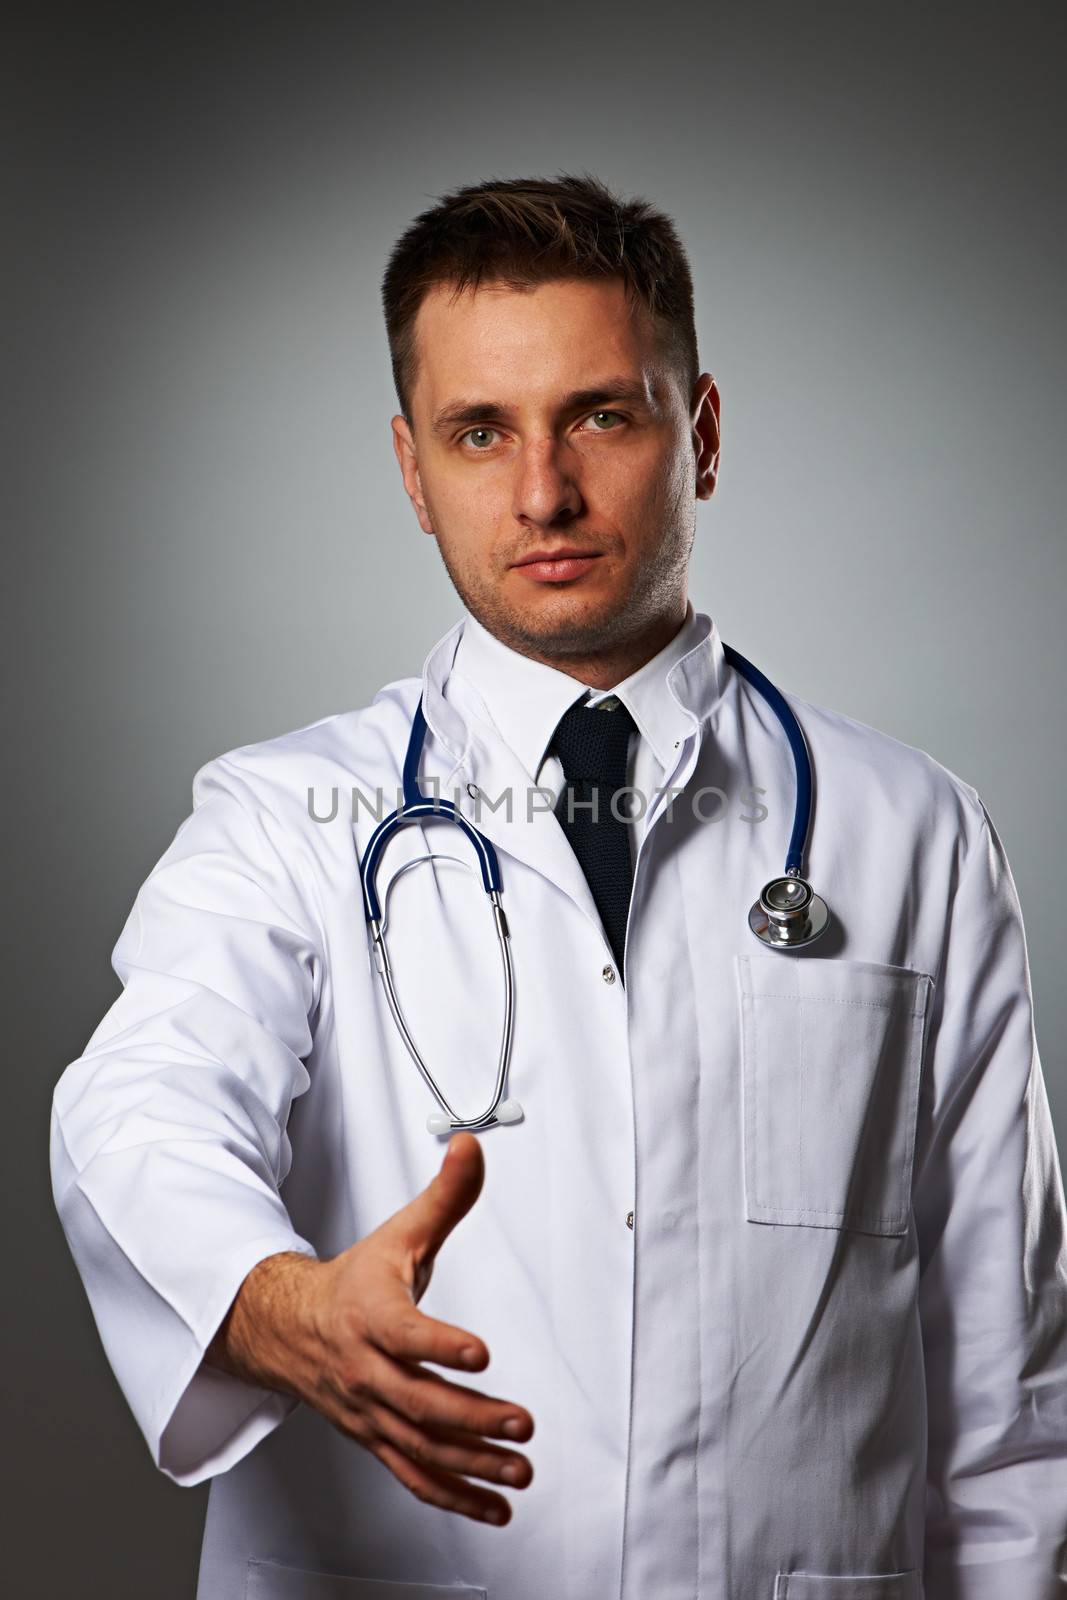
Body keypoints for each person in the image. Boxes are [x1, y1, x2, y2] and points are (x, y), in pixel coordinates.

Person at [50, 173, 1067, 1600]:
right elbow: (138, 1107)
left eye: (602, 413)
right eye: (481, 432)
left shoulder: (918, 835)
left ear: (698, 435)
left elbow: (1008, 1390)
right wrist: (282, 1310)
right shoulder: (280, 821)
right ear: (412, 470)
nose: (544, 491)